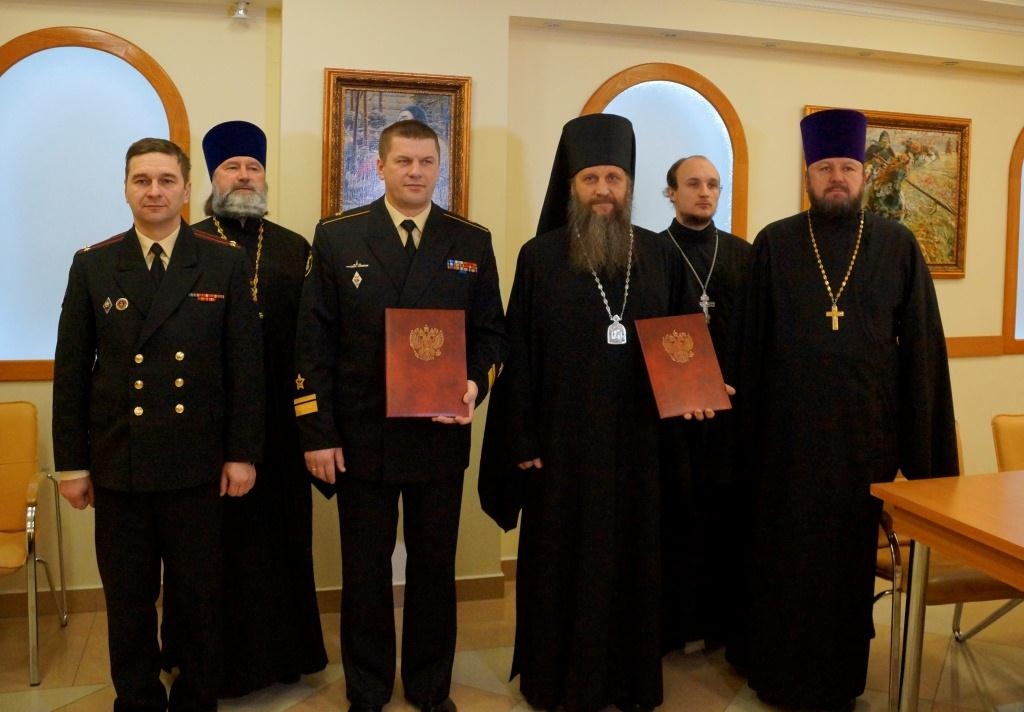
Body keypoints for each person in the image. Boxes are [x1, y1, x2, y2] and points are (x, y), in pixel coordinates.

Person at [738, 108, 958, 710]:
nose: (837, 177)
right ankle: (777, 677)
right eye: (825, 168)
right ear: (808, 175)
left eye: (847, 167)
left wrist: (928, 461)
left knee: (844, 570)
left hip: (864, 444)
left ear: (864, 174)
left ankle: (840, 683)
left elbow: (921, 351)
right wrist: (745, 439)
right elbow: (750, 349)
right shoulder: (775, 243)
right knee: (784, 562)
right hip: (786, 443)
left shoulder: (897, 245)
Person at [479, 113, 699, 712]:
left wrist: (699, 389)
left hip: (639, 445)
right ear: (571, 186)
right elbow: (519, 353)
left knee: (633, 562)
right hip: (561, 446)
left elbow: (684, 338)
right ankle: (556, 680)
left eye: (614, 178)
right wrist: (522, 438)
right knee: (561, 562)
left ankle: (630, 682)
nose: (604, 190)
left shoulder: (659, 254)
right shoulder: (540, 257)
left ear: (629, 184)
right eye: (591, 179)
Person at [295, 118, 506, 712]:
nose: (416, 172)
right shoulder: (338, 237)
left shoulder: (470, 241)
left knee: (435, 569)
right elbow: (312, 345)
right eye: (404, 161)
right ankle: (366, 689)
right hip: (362, 436)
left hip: (439, 434)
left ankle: (430, 687)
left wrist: (473, 386)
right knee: (364, 573)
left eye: (426, 162)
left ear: (439, 168)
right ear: (380, 167)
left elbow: (493, 334)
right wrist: (317, 433)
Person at [52, 137, 264, 711]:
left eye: (166, 180)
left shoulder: (222, 260)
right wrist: (72, 465)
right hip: (120, 462)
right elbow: (71, 373)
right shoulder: (94, 263)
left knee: (198, 598)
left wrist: (242, 453)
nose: (154, 191)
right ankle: (138, 699)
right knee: (128, 599)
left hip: (198, 463)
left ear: (187, 189)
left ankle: (197, 698)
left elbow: (244, 368)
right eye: (141, 180)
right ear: (125, 188)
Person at [159, 121, 328, 696]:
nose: (244, 176)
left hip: (281, 426)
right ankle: (209, 663)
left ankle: (282, 658)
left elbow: (313, 339)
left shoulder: (293, 247)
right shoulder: (188, 243)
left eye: (253, 167)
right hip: (209, 427)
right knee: (209, 552)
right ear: (211, 179)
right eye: (232, 167)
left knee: (278, 545)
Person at [658, 155, 751, 655]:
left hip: (730, 416)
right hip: (670, 417)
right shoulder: (651, 253)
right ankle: (672, 624)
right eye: (692, 184)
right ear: (671, 192)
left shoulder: (743, 255)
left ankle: (720, 625)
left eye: (713, 184)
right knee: (674, 516)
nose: (704, 192)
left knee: (723, 517)